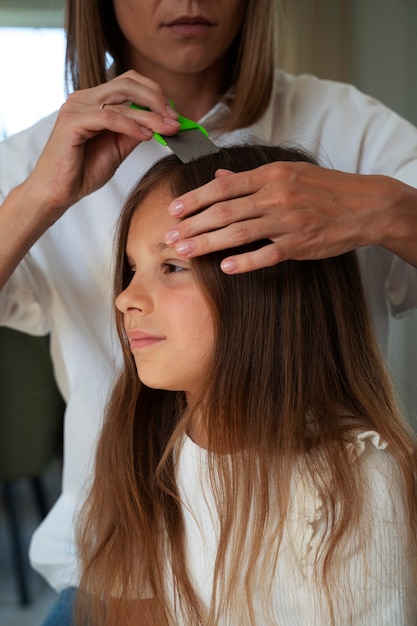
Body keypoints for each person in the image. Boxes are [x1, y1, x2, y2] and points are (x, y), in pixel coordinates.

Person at [0, 0, 416, 622]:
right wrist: (36, 198)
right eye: (132, 270)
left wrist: (388, 210)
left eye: (171, 266)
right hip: (108, 567)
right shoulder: (37, 158)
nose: (189, 0)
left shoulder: (351, 125)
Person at [76, 144, 417, 625]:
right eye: (132, 271)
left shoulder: (358, 483)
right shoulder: (143, 444)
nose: (125, 299)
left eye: (172, 266)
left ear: (262, 290)